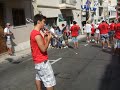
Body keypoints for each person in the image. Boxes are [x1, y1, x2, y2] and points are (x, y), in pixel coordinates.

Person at [30, 14, 56, 90]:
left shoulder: (33, 32)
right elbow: (44, 49)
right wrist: (49, 39)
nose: (44, 24)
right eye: (43, 22)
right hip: (42, 62)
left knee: (38, 78)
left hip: (37, 61)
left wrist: (45, 38)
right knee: (49, 82)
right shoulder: (37, 34)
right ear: (38, 22)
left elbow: (40, 46)